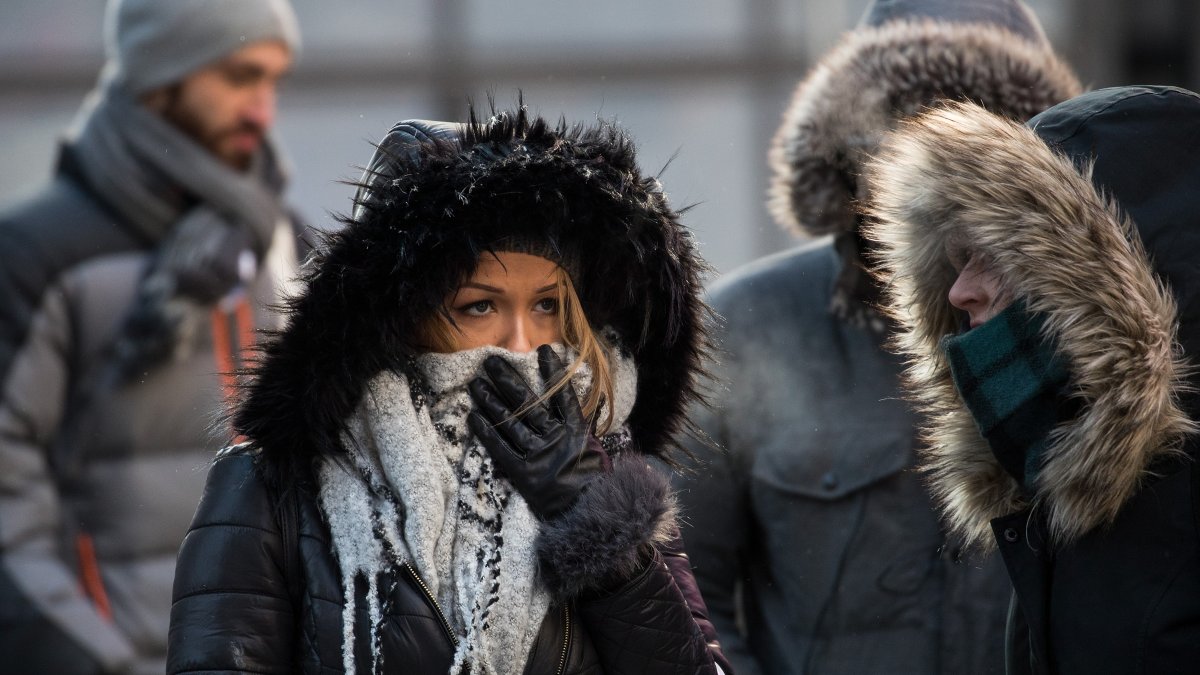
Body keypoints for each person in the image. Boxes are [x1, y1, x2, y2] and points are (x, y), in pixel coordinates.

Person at [166, 106, 734, 675]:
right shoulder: (274, 487)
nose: (520, 343)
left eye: (547, 306)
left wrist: (599, 531)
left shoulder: (610, 479)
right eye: (479, 305)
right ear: (402, 316)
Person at [669, 0, 1082, 673]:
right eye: (915, 144)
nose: (942, 185)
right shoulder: (744, 328)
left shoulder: (1092, 340)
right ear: (852, 151)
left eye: (978, 154)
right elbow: (682, 592)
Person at [0, 1, 304, 672]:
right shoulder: (34, 259)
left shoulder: (287, 246)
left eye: (273, 81)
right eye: (239, 77)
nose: (264, 111)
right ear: (162, 77)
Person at [864, 86, 1200, 674]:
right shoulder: (1056, 482)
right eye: (959, 257)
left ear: (1104, 287)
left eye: (995, 255)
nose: (959, 290)